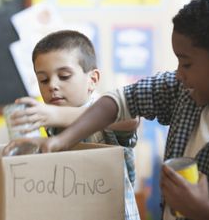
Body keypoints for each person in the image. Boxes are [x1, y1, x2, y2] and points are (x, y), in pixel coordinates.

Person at [8, 0, 209, 219]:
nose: (178, 73)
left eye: (186, 63)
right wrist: (57, 141)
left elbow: (128, 120)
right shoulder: (182, 90)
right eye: (43, 80)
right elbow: (122, 102)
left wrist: (201, 212)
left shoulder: (62, 115)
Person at [8, 30, 140, 220]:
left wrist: (57, 114)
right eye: (43, 79)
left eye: (64, 76)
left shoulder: (105, 108)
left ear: (92, 80)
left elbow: (129, 119)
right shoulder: (51, 124)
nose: (52, 85)